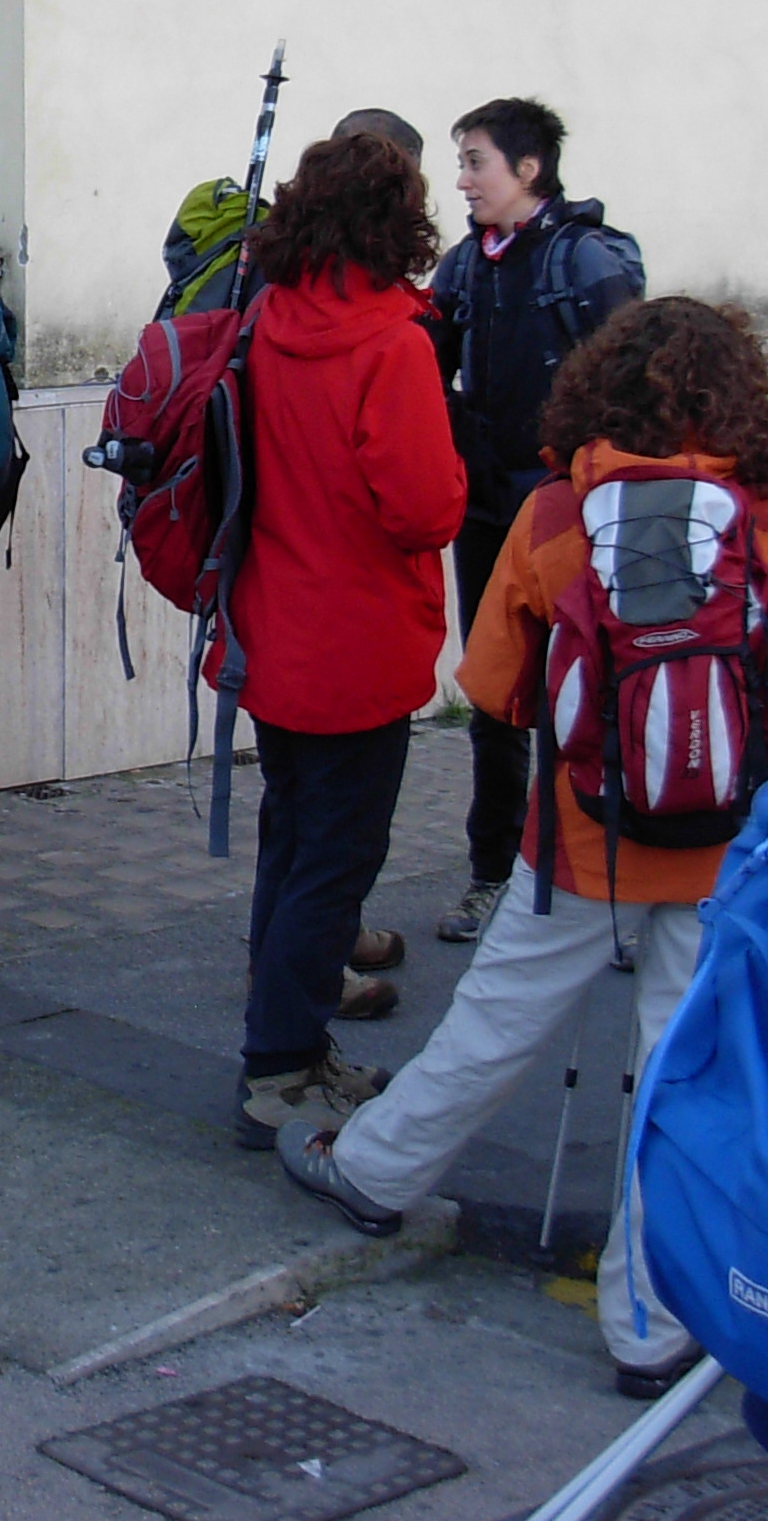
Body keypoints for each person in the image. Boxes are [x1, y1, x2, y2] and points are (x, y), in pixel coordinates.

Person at [281, 297, 768, 1398]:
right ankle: (650, 1325)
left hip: (584, 846)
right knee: (677, 1079)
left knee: (492, 1026)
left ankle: (372, 1170)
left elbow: (495, 689)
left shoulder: (560, 513)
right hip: (733, 857)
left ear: (599, 388)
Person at [221, 134, 467, 1152]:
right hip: (359, 640)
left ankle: (286, 1044)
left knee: (292, 842)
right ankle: (280, 1070)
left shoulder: (268, 318)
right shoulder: (392, 344)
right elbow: (425, 509)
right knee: (336, 862)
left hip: (274, 625)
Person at [425, 97, 644, 946]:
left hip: (572, 517)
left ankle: (605, 879)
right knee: (494, 692)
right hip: (487, 512)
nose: (462, 180)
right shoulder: (462, 267)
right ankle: (495, 874)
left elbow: (634, 383)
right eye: (462, 162)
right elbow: (425, 372)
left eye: (474, 161)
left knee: (587, 693)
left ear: (528, 169)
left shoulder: (583, 260)